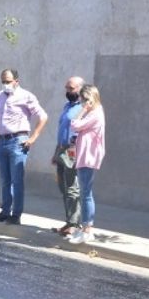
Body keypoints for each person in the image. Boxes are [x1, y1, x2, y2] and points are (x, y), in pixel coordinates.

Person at [0, 69, 48, 225]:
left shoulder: (26, 96)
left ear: (16, 81)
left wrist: (33, 138)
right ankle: (5, 211)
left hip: (18, 141)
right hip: (2, 141)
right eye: (3, 81)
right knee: (5, 179)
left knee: (17, 180)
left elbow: (43, 116)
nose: (5, 84)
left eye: (8, 81)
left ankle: (16, 214)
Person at [68, 84, 106, 244]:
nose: (82, 102)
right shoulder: (93, 113)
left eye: (85, 99)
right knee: (84, 193)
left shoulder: (95, 113)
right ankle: (84, 227)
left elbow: (74, 125)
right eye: (82, 99)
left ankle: (87, 230)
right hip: (84, 156)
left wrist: (83, 110)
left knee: (86, 193)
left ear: (92, 98)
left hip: (89, 157)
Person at [51, 76, 85, 236]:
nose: (67, 91)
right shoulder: (67, 106)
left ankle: (75, 223)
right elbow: (62, 130)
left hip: (72, 150)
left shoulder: (84, 108)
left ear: (80, 89)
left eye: (71, 88)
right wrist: (56, 153)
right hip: (61, 149)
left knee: (72, 188)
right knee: (63, 187)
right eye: (67, 88)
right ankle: (68, 221)